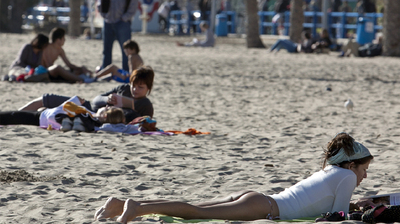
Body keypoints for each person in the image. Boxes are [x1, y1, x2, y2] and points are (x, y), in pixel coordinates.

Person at [94, 132, 374, 223]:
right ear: (352, 166)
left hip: (260, 198)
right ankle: (135, 208)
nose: (364, 176)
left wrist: (353, 204)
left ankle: (121, 205)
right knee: (195, 212)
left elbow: (326, 205)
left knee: (195, 207)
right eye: (364, 170)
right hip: (265, 208)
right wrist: (359, 209)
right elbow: (336, 215)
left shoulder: (331, 171)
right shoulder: (346, 178)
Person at [19, 65, 154, 123]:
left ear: (148, 88)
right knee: (46, 99)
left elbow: (142, 121)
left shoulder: (145, 104)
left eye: (140, 87)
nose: (135, 90)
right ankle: (17, 113)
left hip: (93, 117)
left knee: (44, 111)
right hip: (88, 106)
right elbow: (95, 100)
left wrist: (123, 103)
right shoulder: (124, 88)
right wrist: (107, 98)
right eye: (133, 86)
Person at [98, 0, 139, 72]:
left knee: (126, 51)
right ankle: (105, 72)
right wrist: (103, 14)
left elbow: (133, 3)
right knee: (106, 51)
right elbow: (99, 0)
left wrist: (125, 18)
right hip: (108, 22)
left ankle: (126, 73)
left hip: (123, 23)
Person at [0, 95, 125, 131]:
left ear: (105, 116)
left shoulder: (88, 114)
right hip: (45, 116)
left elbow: (64, 107)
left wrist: (76, 99)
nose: (106, 106)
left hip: (42, 118)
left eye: (108, 108)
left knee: (10, 116)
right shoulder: (91, 121)